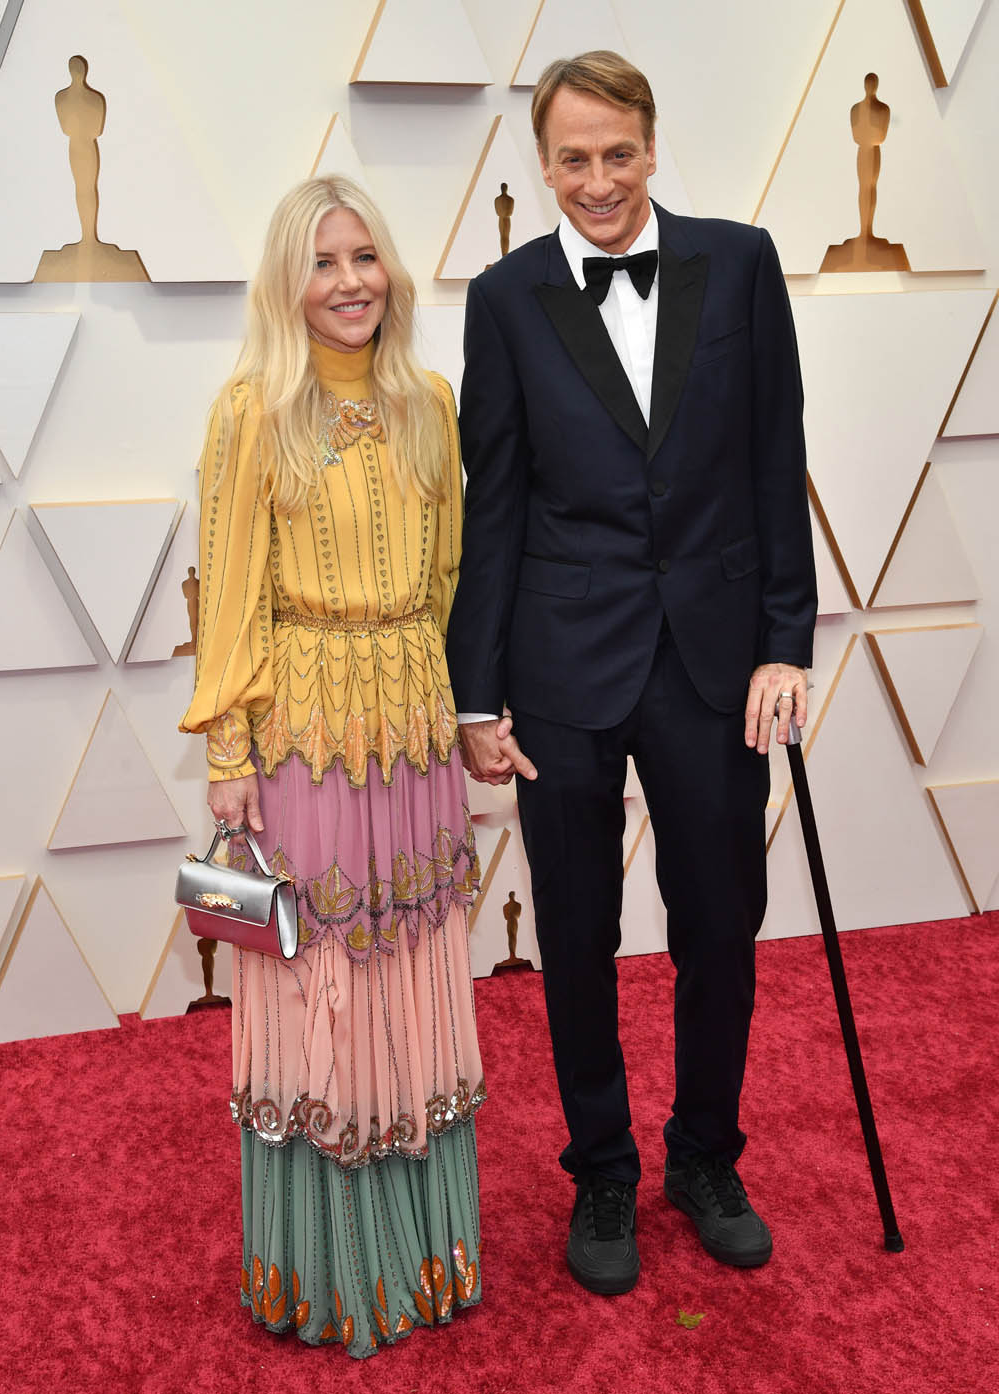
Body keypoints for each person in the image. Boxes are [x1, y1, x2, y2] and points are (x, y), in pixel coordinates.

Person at [447, 51, 816, 1295]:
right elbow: (492, 503)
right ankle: (600, 1164)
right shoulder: (503, 298)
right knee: (578, 928)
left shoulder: (742, 262)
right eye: (572, 158)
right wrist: (474, 690)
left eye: (617, 153)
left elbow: (777, 460)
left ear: (651, 147)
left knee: (721, 917)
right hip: (559, 660)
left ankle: (706, 1153)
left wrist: (783, 639)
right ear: (542, 165)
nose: (597, 181)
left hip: (714, 657)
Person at [180, 175, 484, 1356]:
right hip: (305, 735)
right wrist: (229, 752)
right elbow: (232, 596)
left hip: (411, 736)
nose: (351, 281)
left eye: (365, 256)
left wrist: (458, 712)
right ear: (285, 282)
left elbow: (450, 577)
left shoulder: (430, 404)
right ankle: (330, 1268)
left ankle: (425, 1253)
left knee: (412, 978)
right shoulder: (252, 410)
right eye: (324, 262)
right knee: (319, 987)